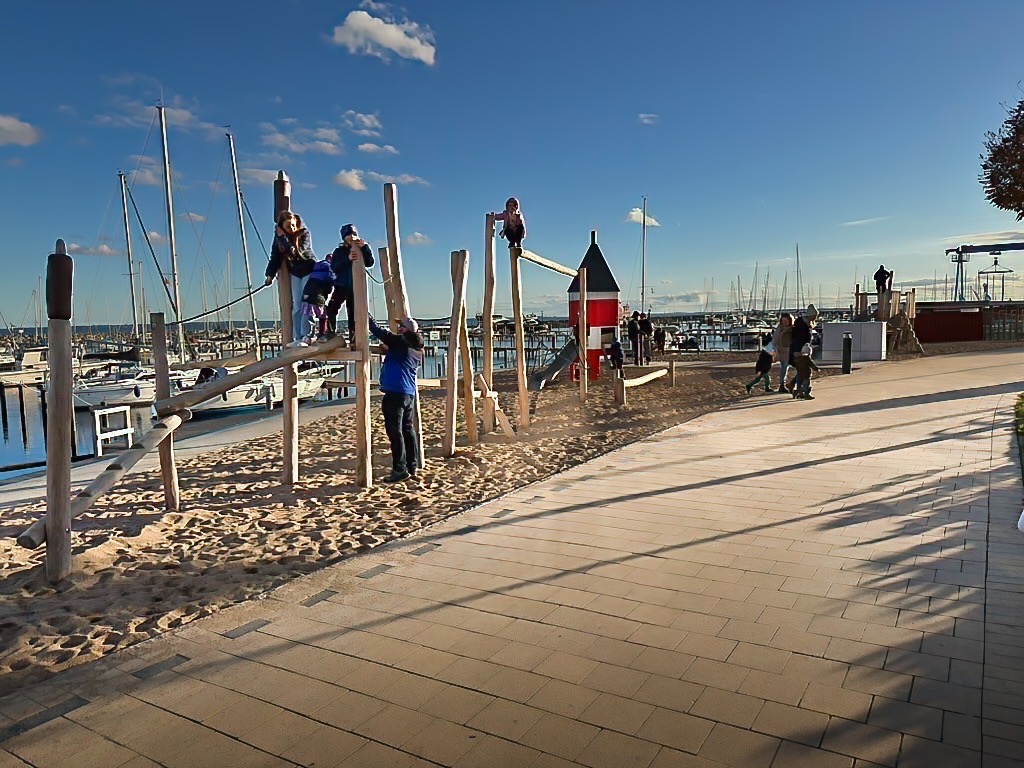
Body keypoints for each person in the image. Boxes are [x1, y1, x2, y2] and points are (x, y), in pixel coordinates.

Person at [369, 314, 425, 482]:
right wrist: (389, 348)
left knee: (395, 432)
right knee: (408, 430)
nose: (399, 329)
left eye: (402, 327)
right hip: (408, 393)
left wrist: (365, 313)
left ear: (408, 331)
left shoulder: (400, 342)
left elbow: (377, 330)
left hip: (394, 392)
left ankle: (399, 469)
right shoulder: (417, 349)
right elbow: (395, 350)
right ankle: (412, 465)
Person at [265, 211, 316, 341]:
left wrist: (283, 239)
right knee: (297, 305)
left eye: (293, 225)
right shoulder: (278, 240)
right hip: (294, 272)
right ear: (282, 227)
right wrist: (270, 275)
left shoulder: (304, 233)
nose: (292, 229)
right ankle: (298, 336)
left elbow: (297, 252)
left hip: (308, 269)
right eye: (288, 227)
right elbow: (275, 257)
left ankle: (307, 334)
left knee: (307, 302)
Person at [325, 224, 375, 344]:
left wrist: (365, 248)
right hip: (341, 285)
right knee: (332, 308)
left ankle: (354, 337)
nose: (352, 237)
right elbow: (335, 267)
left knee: (353, 312)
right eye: (349, 235)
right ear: (344, 237)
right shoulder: (339, 251)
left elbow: (370, 263)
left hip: (355, 286)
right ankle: (330, 332)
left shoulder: (361, 248)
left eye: (354, 234)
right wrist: (347, 259)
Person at [287, 256, 334, 348]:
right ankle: (312, 336)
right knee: (319, 315)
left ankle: (299, 338)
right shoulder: (330, 269)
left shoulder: (317, 267)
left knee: (305, 312)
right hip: (317, 295)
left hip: (307, 293)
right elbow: (331, 283)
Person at [786, 304, 817, 392]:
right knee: (802, 369)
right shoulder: (802, 323)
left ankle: (793, 385)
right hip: (799, 350)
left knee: (803, 369)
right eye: (814, 316)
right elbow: (797, 338)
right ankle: (799, 389)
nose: (815, 318)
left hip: (804, 349)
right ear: (810, 315)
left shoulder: (806, 323)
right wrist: (797, 350)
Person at [772, 313, 794, 393]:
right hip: (781, 351)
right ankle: (782, 384)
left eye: (786, 321)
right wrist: (774, 350)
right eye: (783, 321)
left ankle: (792, 383)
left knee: (789, 366)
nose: (784, 322)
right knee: (784, 367)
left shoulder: (793, 328)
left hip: (789, 351)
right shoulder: (780, 328)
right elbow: (775, 339)